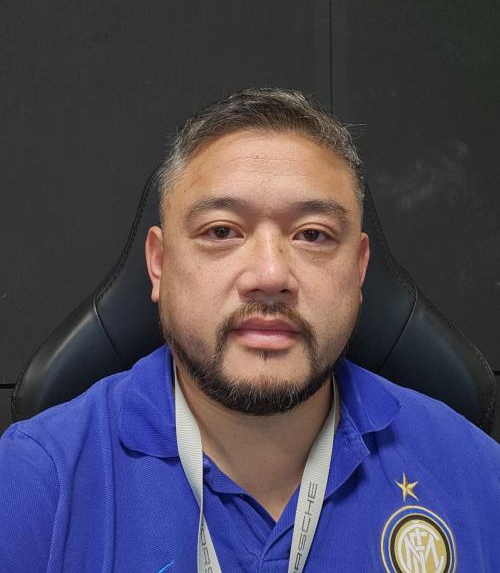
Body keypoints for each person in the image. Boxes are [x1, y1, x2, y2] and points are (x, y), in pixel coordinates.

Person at [0, 88, 499, 572]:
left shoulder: (479, 475)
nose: (270, 275)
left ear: (359, 269)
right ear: (159, 264)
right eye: (221, 231)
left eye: (312, 235)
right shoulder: (34, 479)